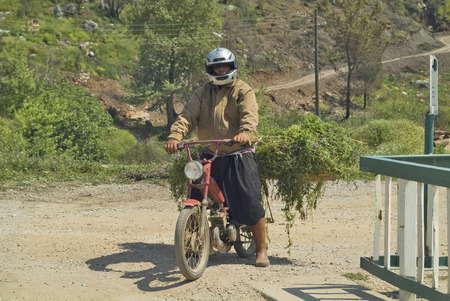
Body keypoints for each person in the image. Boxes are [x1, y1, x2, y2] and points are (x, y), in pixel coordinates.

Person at [165, 48, 270, 267]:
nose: (221, 70)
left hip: (237, 152)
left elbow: (250, 117)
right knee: (196, 190)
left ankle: (261, 250)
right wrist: (175, 136)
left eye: (224, 66)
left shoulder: (243, 90)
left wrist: (245, 134)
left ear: (232, 67)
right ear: (210, 70)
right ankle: (200, 239)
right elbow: (186, 117)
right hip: (210, 152)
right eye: (216, 67)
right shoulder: (202, 93)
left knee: (250, 199)